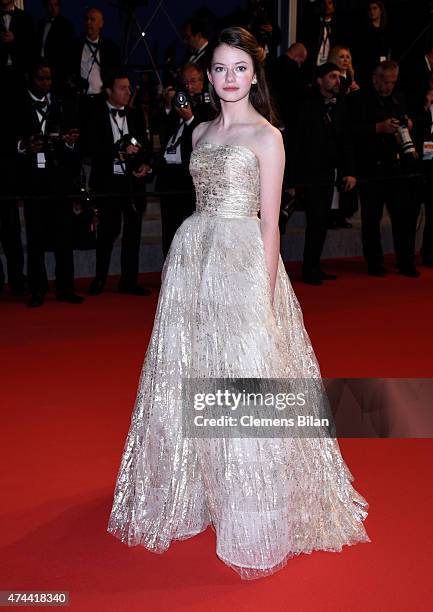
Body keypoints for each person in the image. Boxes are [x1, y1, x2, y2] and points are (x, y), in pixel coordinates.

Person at [107, 27, 369, 580]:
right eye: (220, 69)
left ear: (255, 74)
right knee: (193, 368)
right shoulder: (199, 132)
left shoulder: (267, 136)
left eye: (239, 69)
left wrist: (266, 291)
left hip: (241, 261)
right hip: (193, 262)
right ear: (210, 76)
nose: (229, 78)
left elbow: (270, 223)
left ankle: (253, 510)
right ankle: (197, 486)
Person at [14, 60, 83, 307]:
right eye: (41, 78)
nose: (46, 83)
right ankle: (37, 289)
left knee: (64, 235)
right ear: (31, 78)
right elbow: (7, 139)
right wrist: (24, 146)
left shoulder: (62, 104)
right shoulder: (17, 104)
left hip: (59, 178)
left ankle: (66, 288)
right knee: (35, 237)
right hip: (32, 179)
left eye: (49, 79)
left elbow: (74, 144)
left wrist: (68, 141)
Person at [81, 69, 153, 296]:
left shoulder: (135, 114)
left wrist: (143, 163)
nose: (128, 92)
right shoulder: (94, 113)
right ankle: (100, 278)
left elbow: (147, 146)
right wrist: (117, 152)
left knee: (133, 232)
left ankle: (129, 280)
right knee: (107, 232)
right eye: (122, 88)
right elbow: (89, 147)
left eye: (129, 87)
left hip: (132, 182)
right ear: (109, 91)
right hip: (107, 181)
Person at [286, 62, 357, 285]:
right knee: (286, 222)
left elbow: (346, 141)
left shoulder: (341, 105)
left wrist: (349, 172)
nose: (338, 80)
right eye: (333, 76)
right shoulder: (306, 104)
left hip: (328, 173)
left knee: (320, 222)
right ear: (320, 80)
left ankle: (312, 267)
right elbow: (295, 142)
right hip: (305, 173)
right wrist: (291, 179)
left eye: (339, 77)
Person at [348, 60, 421, 277]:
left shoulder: (399, 99)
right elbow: (350, 132)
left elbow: (406, 121)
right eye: (386, 82)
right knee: (371, 219)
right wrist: (378, 128)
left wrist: (407, 125)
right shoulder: (360, 99)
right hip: (371, 168)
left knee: (403, 218)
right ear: (375, 79)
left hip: (397, 167)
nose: (389, 86)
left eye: (393, 82)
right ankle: (374, 262)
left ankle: (405, 261)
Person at [156, 62, 213, 257]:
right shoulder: (178, 104)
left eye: (193, 81)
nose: (189, 86)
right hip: (169, 176)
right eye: (185, 82)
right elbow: (161, 132)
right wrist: (166, 105)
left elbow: (204, 138)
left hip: (189, 179)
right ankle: (169, 271)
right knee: (169, 230)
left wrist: (189, 118)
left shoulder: (209, 107)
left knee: (189, 230)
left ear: (202, 81)